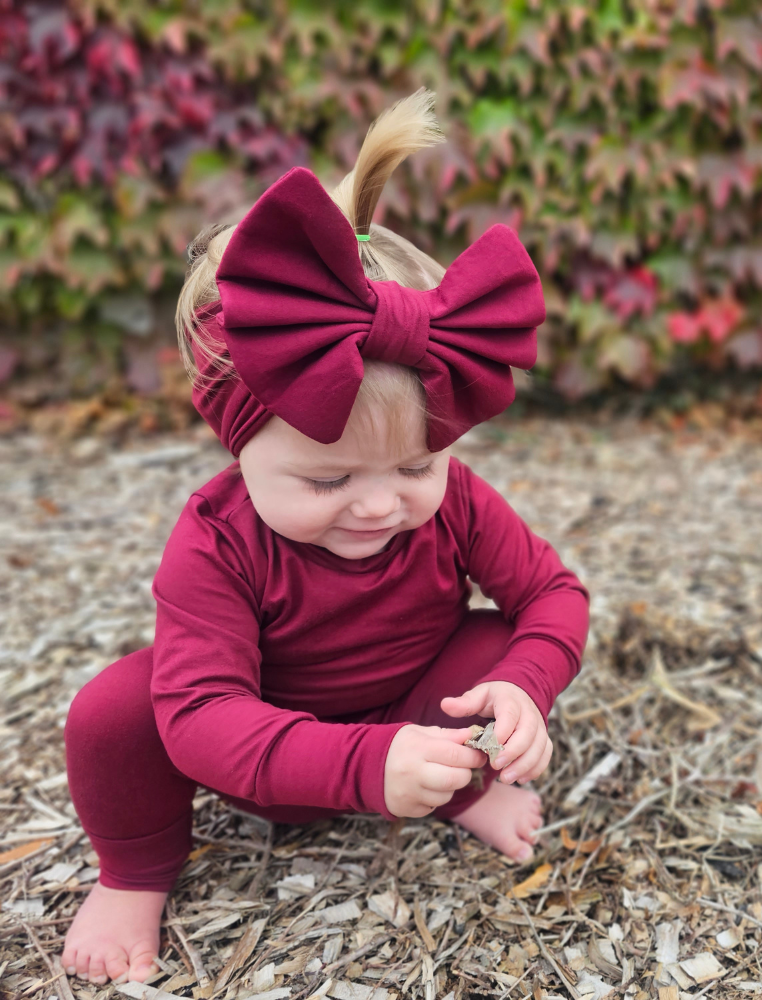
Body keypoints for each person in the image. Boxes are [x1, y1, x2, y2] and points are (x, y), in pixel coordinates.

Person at [59, 90, 589, 986]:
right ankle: (134, 874)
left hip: (415, 715)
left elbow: (552, 596)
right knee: (118, 715)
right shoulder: (218, 542)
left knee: (502, 644)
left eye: (414, 467)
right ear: (237, 443)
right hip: (261, 756)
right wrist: (362, 763)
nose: (380, 506)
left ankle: (462, 789)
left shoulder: (454, 499)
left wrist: (523, 689)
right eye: (327, 479)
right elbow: (202, 721)